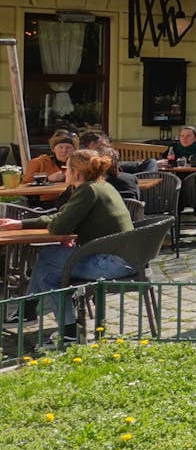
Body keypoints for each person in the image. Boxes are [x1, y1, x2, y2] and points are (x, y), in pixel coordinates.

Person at [0, 149, 133, 342]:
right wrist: (21, 224)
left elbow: (60, 224)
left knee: (48, 269)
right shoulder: (101, 185)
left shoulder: (87, 190)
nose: (64, 171)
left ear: (76, 172)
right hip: (125, 257)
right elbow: (62, 217)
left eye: (67, 168)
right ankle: (38, 314)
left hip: (112, 262)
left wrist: (63, 227)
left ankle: (53, 323)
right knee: (50, 259)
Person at [73, 132, 141, 199]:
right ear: (92, 144)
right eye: (104, 145)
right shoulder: (130, 179)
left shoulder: (90, 185)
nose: (108, 146)